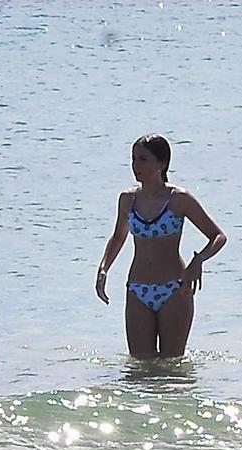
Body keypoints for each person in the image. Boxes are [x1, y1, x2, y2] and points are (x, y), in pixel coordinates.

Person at [95, 135, 228, 359]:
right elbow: (118, 237)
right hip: (138, 288)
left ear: (161, 163)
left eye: (143, 159)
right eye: (133, 159)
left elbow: (218, 236)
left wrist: (198, 261)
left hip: (175, 289)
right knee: (139, 367)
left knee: (171, 366)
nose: (136, 166)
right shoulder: (128, 199)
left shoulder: (179, 199)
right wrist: (103, 269)